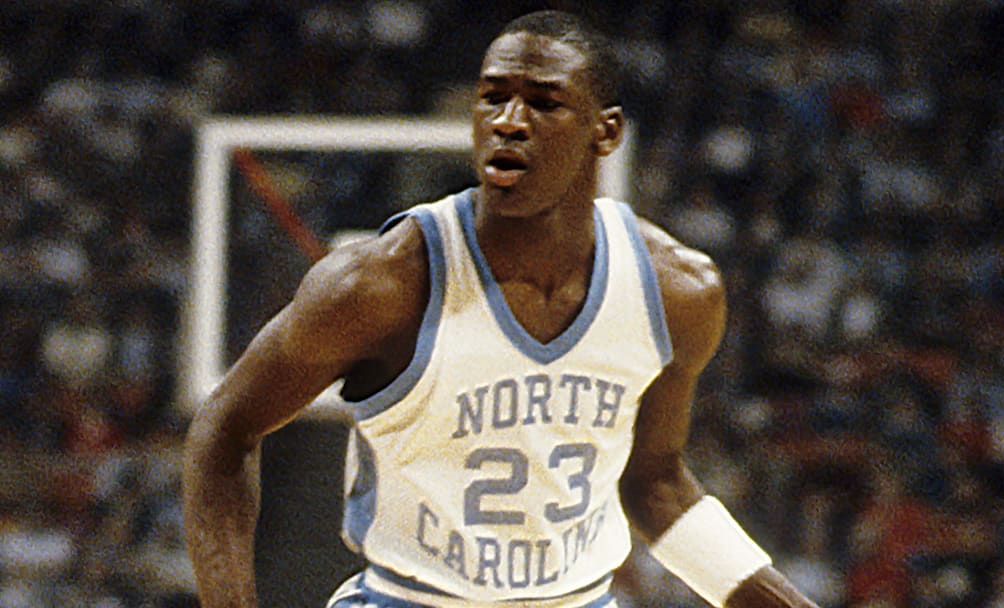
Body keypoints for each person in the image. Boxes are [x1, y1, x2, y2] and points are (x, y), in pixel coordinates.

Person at [183, 10, 821, 608]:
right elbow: (223, 430)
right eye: (493, 96)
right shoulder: (378, 283)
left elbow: (654, 483)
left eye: (544, 102)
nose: (510, 120)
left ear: (607, 131)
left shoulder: (678, 292)